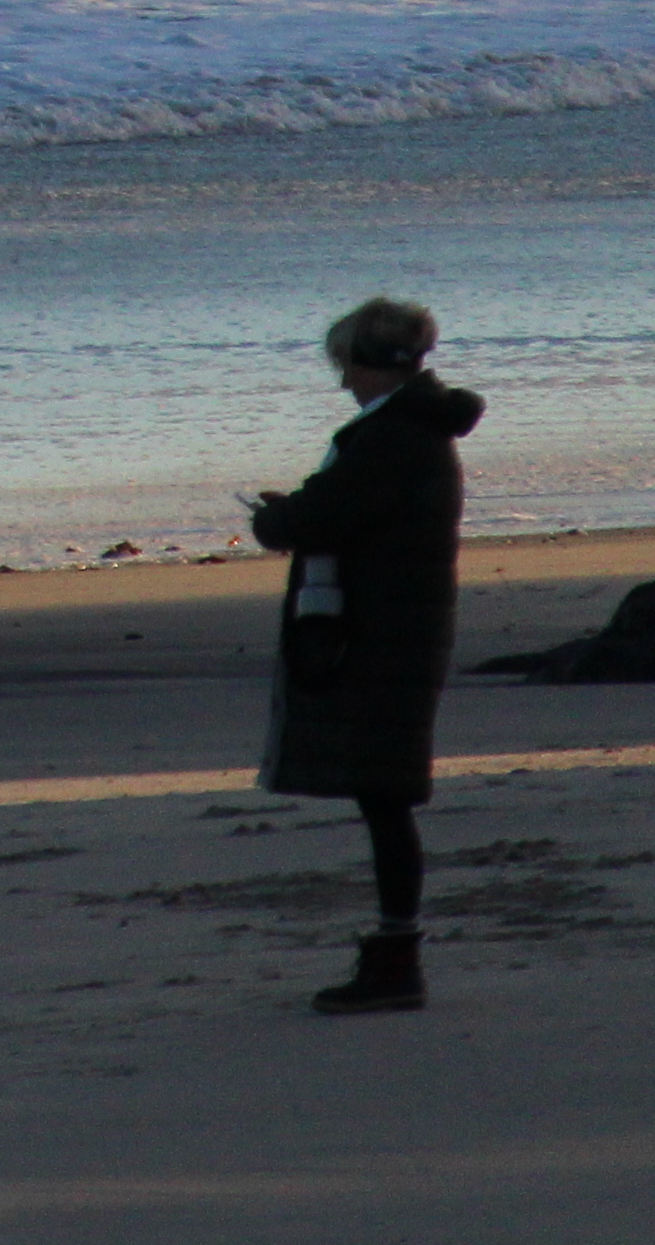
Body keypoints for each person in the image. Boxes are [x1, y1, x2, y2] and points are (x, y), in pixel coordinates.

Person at [245, 292, 486, 1015]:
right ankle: (394, 950)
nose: (343, 381)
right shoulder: (411, 431)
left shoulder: (391, 438)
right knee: (384, 795)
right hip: (400, 630)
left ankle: (395, 956)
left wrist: (276, 517)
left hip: (386, 636)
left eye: (346, 365)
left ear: (371, 364)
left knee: (384, 798)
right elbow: (341, 510)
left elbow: (321, 515)